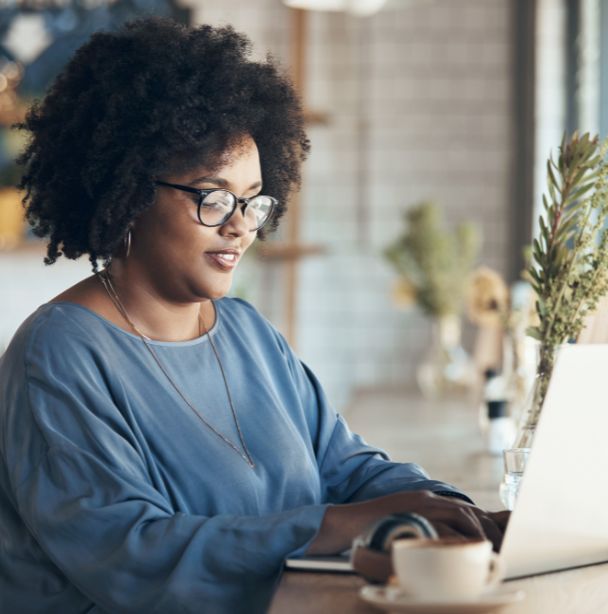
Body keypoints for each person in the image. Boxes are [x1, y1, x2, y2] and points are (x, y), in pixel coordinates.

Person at [0, 19, 507, 613]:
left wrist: (460, 513)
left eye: (253, 200)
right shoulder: (58, 354)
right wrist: (342, 524)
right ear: (129, 194)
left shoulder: (247, 333)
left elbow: (347, 470)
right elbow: (131, 555)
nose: (241, 224)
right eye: (212, 197)